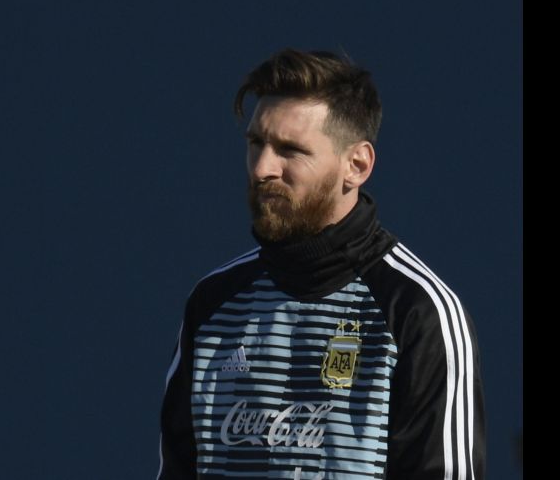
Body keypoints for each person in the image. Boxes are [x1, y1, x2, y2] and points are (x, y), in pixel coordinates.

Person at [157, 49, 485, 480]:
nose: (262, 169)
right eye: (256, 144)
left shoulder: (417, 311)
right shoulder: (213, 304)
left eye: (290, 150)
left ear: (357, 165)